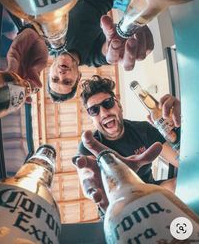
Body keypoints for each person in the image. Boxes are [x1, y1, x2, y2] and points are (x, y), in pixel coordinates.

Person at [7, 0, 154, 102]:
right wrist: (122, 39)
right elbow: (108, 51)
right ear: (78, 77)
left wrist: (30, 28)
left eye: (55, 78)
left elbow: (40, 14)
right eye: (67, 81)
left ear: (49, 71)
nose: (62, 74)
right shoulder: (92, 57)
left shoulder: (45, 44)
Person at [72, 75, 180, 215]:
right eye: (94, 110)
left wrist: (178, 131)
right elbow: (88, 179)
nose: (104, 113)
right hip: (119, 208)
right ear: (91, 118)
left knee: (179, 185)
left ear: (119, 105)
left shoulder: (143, 131)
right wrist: (93, 188)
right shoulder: (89, 145)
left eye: (108, 103)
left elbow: (180, 162)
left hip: (151, 191)